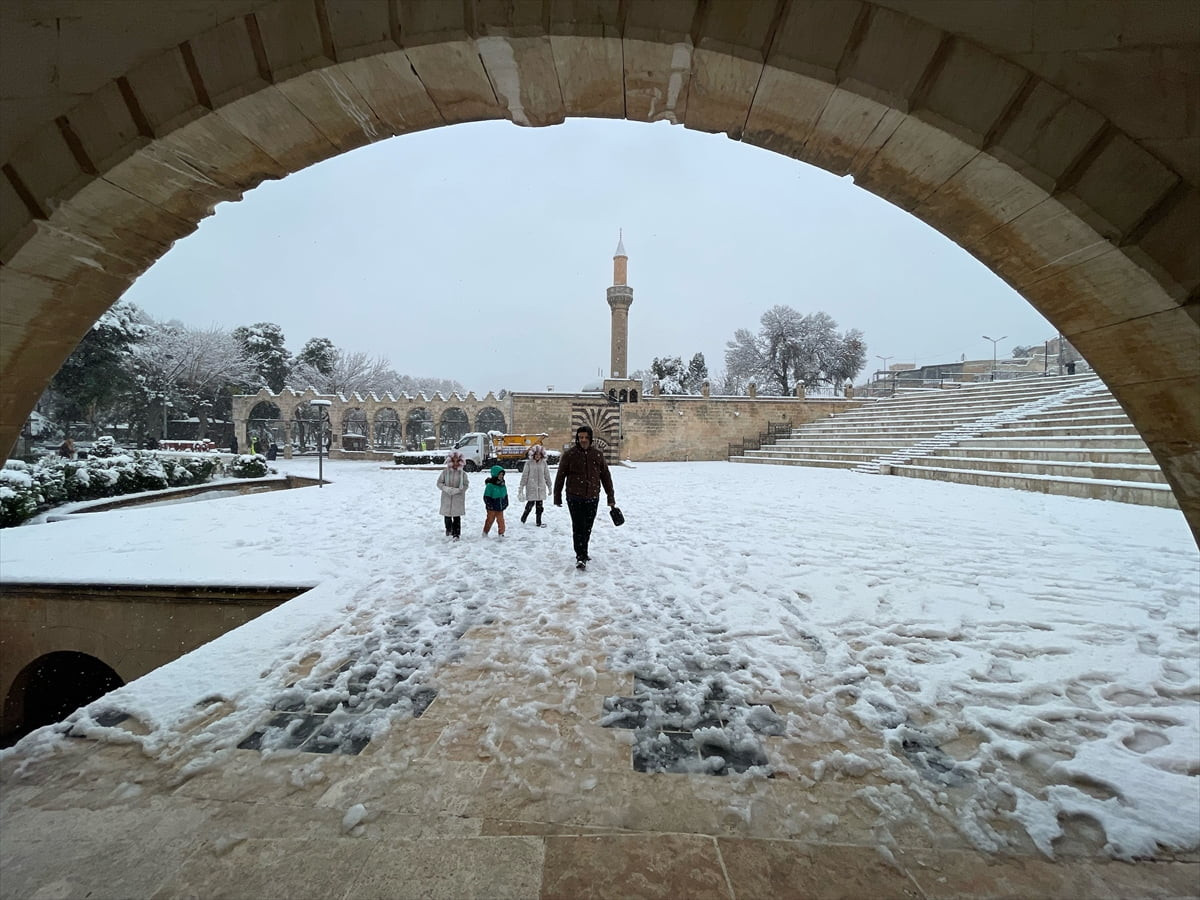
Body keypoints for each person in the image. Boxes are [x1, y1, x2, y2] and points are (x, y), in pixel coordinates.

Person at [553, 425, 615, 570]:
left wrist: (610, 497)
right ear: (577, 438)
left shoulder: (597, 455)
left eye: (586, 437)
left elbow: (606, 476)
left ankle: (584, 552)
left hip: (592, 497)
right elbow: (560, 476)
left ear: (590, 438)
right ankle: (580, 556)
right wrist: (557, 496)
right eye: (581, 437)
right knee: (578, 526)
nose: (583, 440)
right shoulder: (569, 455)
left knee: (587, 527)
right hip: (574, 497)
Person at [436, 449, 469, 540]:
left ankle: (456, 534)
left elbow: (466, 484)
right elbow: (439, 483)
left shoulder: (463, 474)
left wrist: (460, 490)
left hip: (458, 498)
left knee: (457, 517)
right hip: (446, 497)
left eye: (457, 461)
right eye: (453, 461)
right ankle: (448, 530)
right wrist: (446, 489)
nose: (455, 463)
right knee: (447, 516)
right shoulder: (445, 472)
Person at [518, 444, 553, 526]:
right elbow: (525, 476)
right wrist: (521, 487)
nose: (537, 456)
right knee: (529, 505)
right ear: (533, 455)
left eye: (539, 455)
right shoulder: (528, 463)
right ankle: (523, 519)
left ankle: (538, 521)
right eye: (536, 454)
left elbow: (547, 475)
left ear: (542, 455)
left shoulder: (544, 463)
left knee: (539, 507)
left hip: (541, 488)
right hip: (531, 487)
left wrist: (549, 486)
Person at [482, 464, 509, 537]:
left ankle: (501, 533)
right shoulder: (490, 485)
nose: (501, 476)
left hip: (500, 507)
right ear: (495, 474)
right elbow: (486, 497)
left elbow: (505, 494)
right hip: (492, 508)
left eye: (502, 475)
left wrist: (506, 502)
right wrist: (489, 505)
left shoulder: (503, 484)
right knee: (490, 520)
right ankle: (485, 532)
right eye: (499, 474)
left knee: (501, 521)